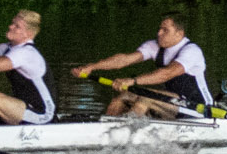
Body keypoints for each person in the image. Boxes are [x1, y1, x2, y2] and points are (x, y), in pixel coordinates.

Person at [77, 14, 213, 118]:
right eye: (159, 28)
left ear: (179, 34)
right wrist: (92, 67)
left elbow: (167, 73)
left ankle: (127, 134)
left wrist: (133, 81)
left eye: (165, 30)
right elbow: (124, 60)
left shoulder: (192, 51)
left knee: (145, 99)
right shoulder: (155, 46)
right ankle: (106, 128)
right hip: (172, 103)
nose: (159, 33)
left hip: (198, 108)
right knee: (122, 96)